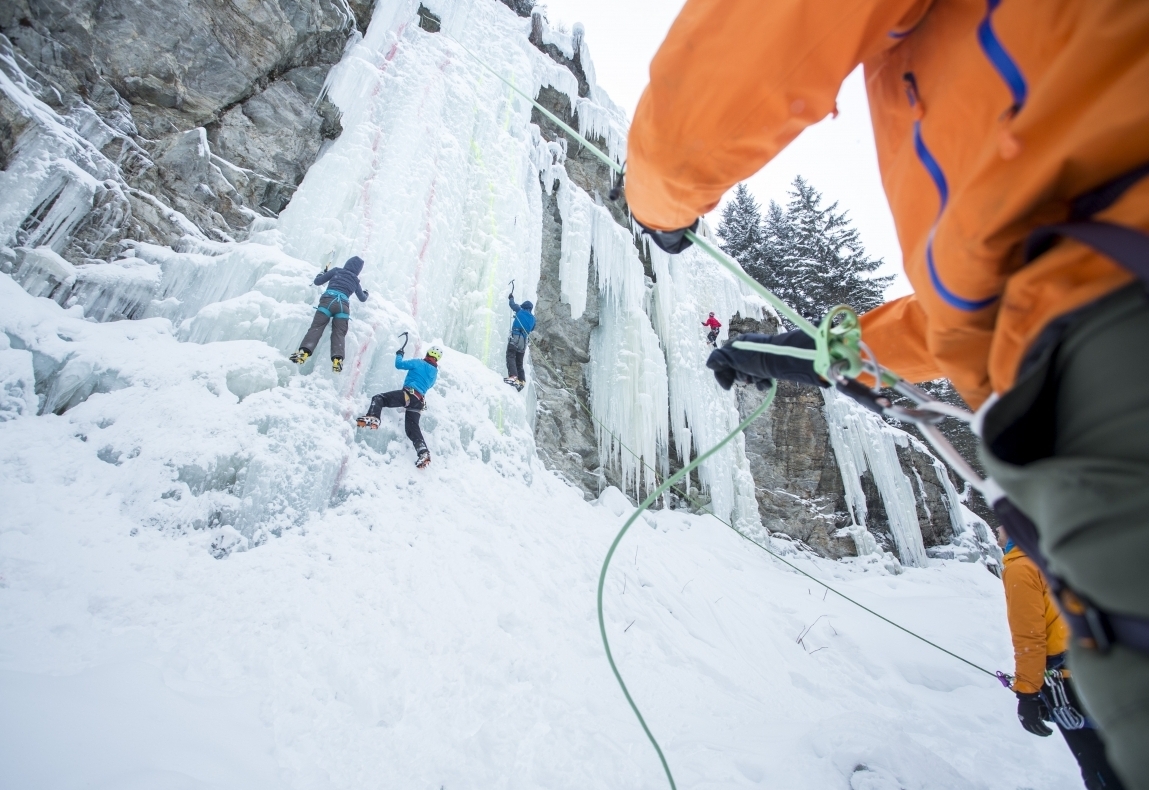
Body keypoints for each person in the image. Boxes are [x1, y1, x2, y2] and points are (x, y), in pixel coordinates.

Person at [625, 2, 1149, 783]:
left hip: (1106, 321)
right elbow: (940, 328)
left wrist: (658, 202)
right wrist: (787, 356)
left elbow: (753, 47)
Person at [998, 526, 1126, 789]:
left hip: (1066, 682)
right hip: (1100, 668)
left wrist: (1028, 695)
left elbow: (1030, 638)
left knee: (1096, 763)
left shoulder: (1021, 568)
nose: (997, 528)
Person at [356, 346, 442, 469]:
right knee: (412, 428)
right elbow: (429, 385)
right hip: (419, 402)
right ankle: (423, 452)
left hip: (408, 394)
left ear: (428, 353)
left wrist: (399, 354)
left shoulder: (418, 362)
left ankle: (373, 417)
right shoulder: (434, 373)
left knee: (379, 398)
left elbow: (399, 364)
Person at [289, 256, 369, 372]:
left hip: (328, 301)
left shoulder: (337, 271)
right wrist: (366, 293)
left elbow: (317, 282)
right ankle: (337, 359)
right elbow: (362, 298)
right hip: (343, 307)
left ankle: (304, 352)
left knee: (317, 327)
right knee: (339, 333)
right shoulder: (355, 281)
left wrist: (321, 274)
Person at [503, 293, 536, 392]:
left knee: (511, 355)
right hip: (524, 340)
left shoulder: (520, 310)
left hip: (516, 336)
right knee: (519, 361)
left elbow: (512, 305)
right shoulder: (533, 319)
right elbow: (533, 328)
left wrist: (511, 298)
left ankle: (513, 376)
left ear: (524, 307)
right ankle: (521, 381)